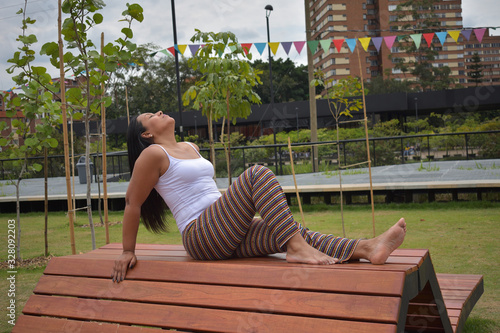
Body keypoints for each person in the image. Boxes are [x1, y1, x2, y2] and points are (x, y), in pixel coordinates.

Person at [111, 111, 407, 283]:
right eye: (151, 117)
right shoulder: (153, 154)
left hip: (221, 229)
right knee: (256, 174)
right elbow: (132, 204)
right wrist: (127, 250)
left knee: (287, 231)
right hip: (201, 235)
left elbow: (208, 193)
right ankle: (297, 249)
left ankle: (368, 249)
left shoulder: (190, 146)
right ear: (146, 135)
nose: (159, 113)